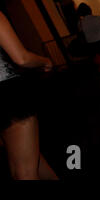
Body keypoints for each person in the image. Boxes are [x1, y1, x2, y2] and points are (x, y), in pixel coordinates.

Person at [0, 11, 58, 180]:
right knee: (24, 172)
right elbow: (22, 58)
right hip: (7, 96)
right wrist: (45, 61)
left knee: (29, 159)